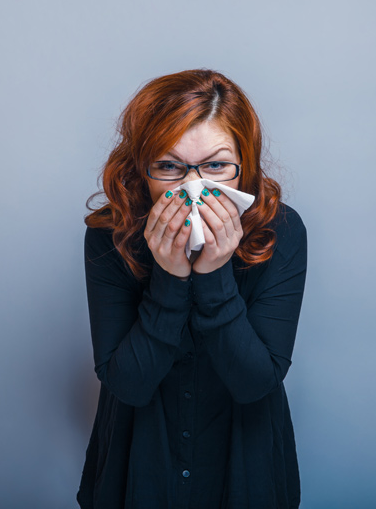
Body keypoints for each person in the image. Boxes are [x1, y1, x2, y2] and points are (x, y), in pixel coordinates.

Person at [77, 69, 307, 509]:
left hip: (244, 465)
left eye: (217, 166)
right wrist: (170, 275)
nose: (192, 187)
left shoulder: (282, 231)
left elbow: (256, 381)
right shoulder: (110, 235)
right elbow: (127, 383)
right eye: (168, 166)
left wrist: (213, 273)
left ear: (246, 165)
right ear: (141, 168)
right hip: (138, 464)